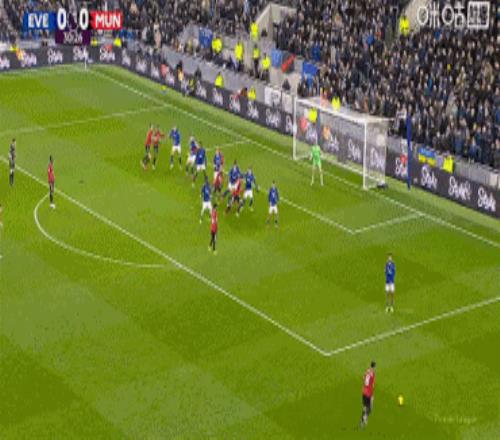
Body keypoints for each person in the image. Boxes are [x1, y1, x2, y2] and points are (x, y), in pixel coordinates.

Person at [360, 361, 376, 429]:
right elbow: (372, 385)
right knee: (370, 409)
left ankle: (361, 423)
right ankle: (365, 417)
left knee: (364, 407)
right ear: (374, 367)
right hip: (368, 393)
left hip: (364, 392)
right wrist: (372, 395)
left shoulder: (367, 371)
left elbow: (363, 378)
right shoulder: (373, 374)